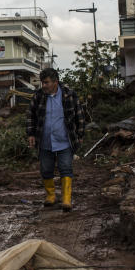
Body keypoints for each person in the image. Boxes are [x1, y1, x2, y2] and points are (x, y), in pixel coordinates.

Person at [26, 68, 84, 212]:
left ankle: (66, 199)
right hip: (44, 141)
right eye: (42, 83)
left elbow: (79, 115)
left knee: (66, 168)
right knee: (46, 169)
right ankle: (51, 196)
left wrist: (80, 135)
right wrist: (31, 134)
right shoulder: (38, 96)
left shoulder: (69, 95)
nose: (43, 86)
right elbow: (30, 116)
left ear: (55, 82)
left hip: (65, 141)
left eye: (46, 83)